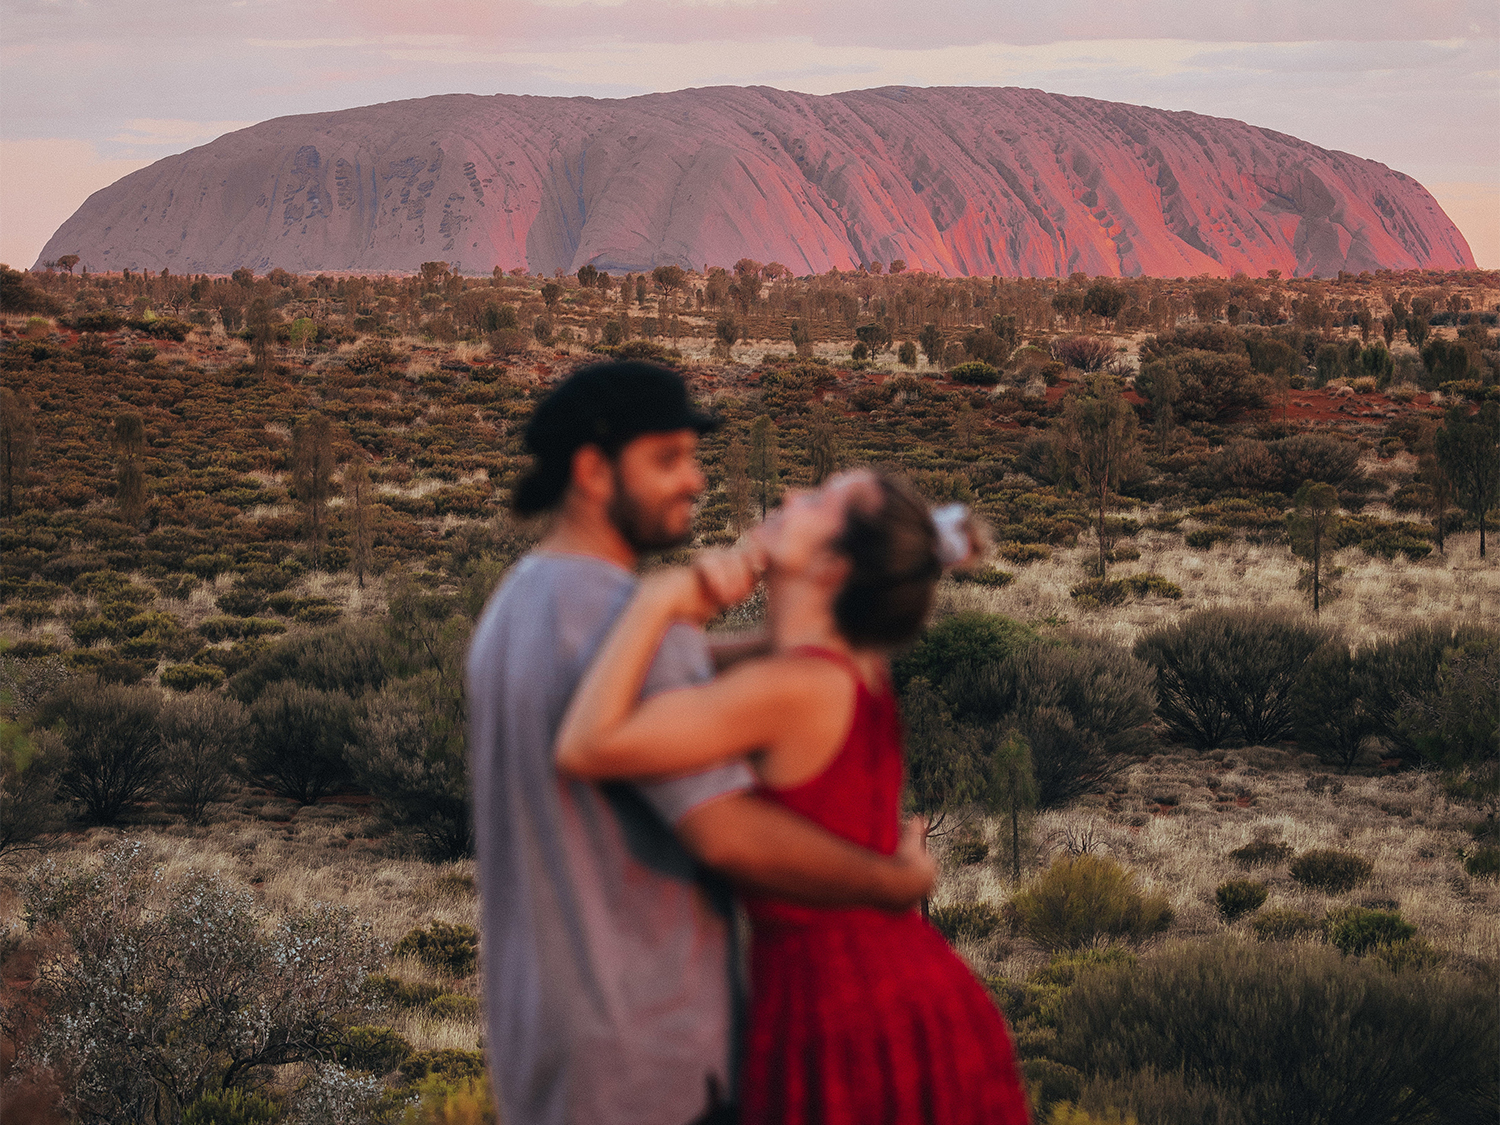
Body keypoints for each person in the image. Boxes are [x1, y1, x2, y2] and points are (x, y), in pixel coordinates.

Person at [466, 361, 936, 1125]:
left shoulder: (518, 602)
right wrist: (890, 880)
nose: (694, 480)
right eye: (667, 459)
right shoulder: (632, 626)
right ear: (592, 470)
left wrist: (786, 641)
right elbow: (726, 832)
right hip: (658, 1056)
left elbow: (675, 669)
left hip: (543, 1049)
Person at [554, 469, 1032, 1125]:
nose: (786, 498)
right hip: (898, 997)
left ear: (833, 563)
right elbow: (682, 673)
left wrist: (658, 600)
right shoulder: (849, 662)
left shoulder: (795, 685)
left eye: (814, 501)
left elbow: (588, 743)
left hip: (845, 1017)